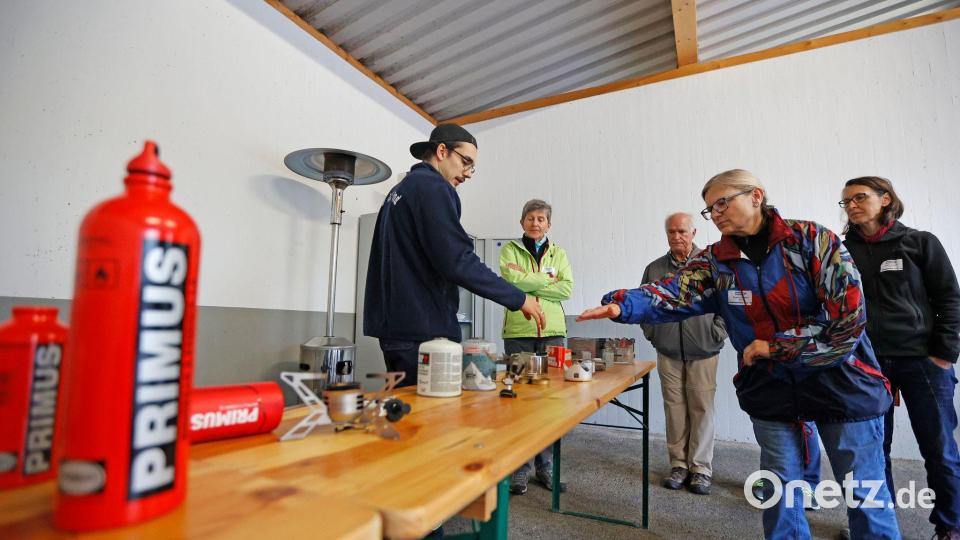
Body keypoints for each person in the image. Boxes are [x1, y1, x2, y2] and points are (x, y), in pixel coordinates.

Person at [578, 169, 899, 539]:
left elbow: (848, 316)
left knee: (864, 490)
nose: (715, 214)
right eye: (709, 209)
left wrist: (776, 346)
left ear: (757, 196)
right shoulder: (718, 260)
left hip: (841, 379)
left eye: (722, 203)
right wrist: (622, 305)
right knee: (780, 489)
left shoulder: (811, 240)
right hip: (772, 385)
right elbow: (671, 292)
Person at [364, 124, 545, 388]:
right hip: (422, 331)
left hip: (395, 328)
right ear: (441, 151)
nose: (468, 174)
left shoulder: (400, 191)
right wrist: (518, 298)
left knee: (408, 412)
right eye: (465, 162)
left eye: (472, 167)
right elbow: (458, 260)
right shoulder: (434, 188)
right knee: (432, 417)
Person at [841, 176, 960, 540]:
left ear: (886, 199)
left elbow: (949, 299)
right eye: (846, 202)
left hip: (922, 361)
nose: (851, 205)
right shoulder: (843, 251)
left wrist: (944, 354)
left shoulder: (919, 243)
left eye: (860, 197)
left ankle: (950, 525)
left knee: (939, 449)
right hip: (868, 365)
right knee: (872, 452)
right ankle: (880, 526)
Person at [641, 212, 727, 495]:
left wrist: (717, 332)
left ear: (693, 233)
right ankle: (678, 464)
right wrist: (654, 334)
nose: (676, 237)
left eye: (682, 231)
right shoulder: (654, 269)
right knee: (674, 409)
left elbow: (728, 303)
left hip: (704, 349)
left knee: (701, 409)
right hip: (668, 351)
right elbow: (644, 306)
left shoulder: (711, 265)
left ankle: (701, 468)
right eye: (671, 232)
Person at [499, 199, 574, 495]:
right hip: (519, 331)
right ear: (522, 223)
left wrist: (528, 281)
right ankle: (519, 469)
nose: (535, 223)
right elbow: (509, 281)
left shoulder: (560, 253)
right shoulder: (509, 251)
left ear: (548, 225)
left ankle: (547, 467)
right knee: (520, 402)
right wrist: (546, 279)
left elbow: (566, 288)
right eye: (530, 218)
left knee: (551, 404)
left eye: (541, 218)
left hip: (553, 333)